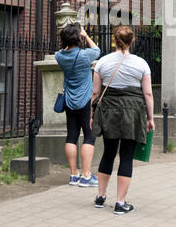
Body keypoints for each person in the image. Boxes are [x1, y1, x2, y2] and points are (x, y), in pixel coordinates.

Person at [90, 25, 155, 215]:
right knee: (126, 155)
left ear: (114, 40)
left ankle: (100, 197)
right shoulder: (141, 64)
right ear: (132, 41)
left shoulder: (102, 62)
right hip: (133, 112)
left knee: (108, 153)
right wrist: (150, 118)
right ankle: (120, 202)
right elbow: (148, 93)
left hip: (109, 111)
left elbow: (95, 92)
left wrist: (93, 116)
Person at [55, 23, 100, 187]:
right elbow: (97, 50)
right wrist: (86, 36)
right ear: (78, 37)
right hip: (86, 102)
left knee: (71, 136)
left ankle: (74, 175)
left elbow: (61, 51)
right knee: (89, 136)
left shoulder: (60, 56)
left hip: (69, 101)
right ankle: (86, 176)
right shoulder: (84, 55)